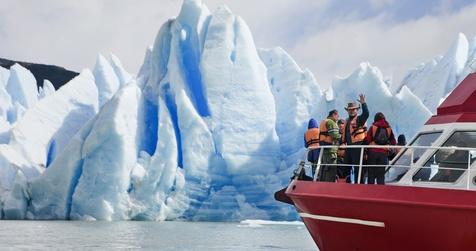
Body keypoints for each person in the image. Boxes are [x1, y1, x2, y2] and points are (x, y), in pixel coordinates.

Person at [342, 94, 369, 184]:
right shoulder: (347, 121)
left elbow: (366, 114)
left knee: (358, 168)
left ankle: (359, 185)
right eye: (350, 110)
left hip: (358, 146)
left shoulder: (359, 119)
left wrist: (363, 103)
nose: (351, 111)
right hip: (349, 147)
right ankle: (347, 184)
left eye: (353, 109)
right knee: (346, 167)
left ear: (357, 110)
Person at [365, 112, 396, 185]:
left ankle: (370, 192)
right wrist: (388, 145)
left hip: (373, 152)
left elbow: (368, 139)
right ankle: (380, 192)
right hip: (383, 153)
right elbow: (393, 141)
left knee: (371, 174)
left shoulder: (373, 127)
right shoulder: (389, 128)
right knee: (381, 175)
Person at [318, 110, 341, 182]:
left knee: (324, 168)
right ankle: (329, 185)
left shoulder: (324, 121)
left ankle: (322, 184)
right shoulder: (331, 122)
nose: (338, 117)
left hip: (324, 148)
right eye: (337, 115)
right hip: (330, 150)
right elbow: (334, 134)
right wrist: (341, 136)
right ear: (334, 114)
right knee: (331, 170)